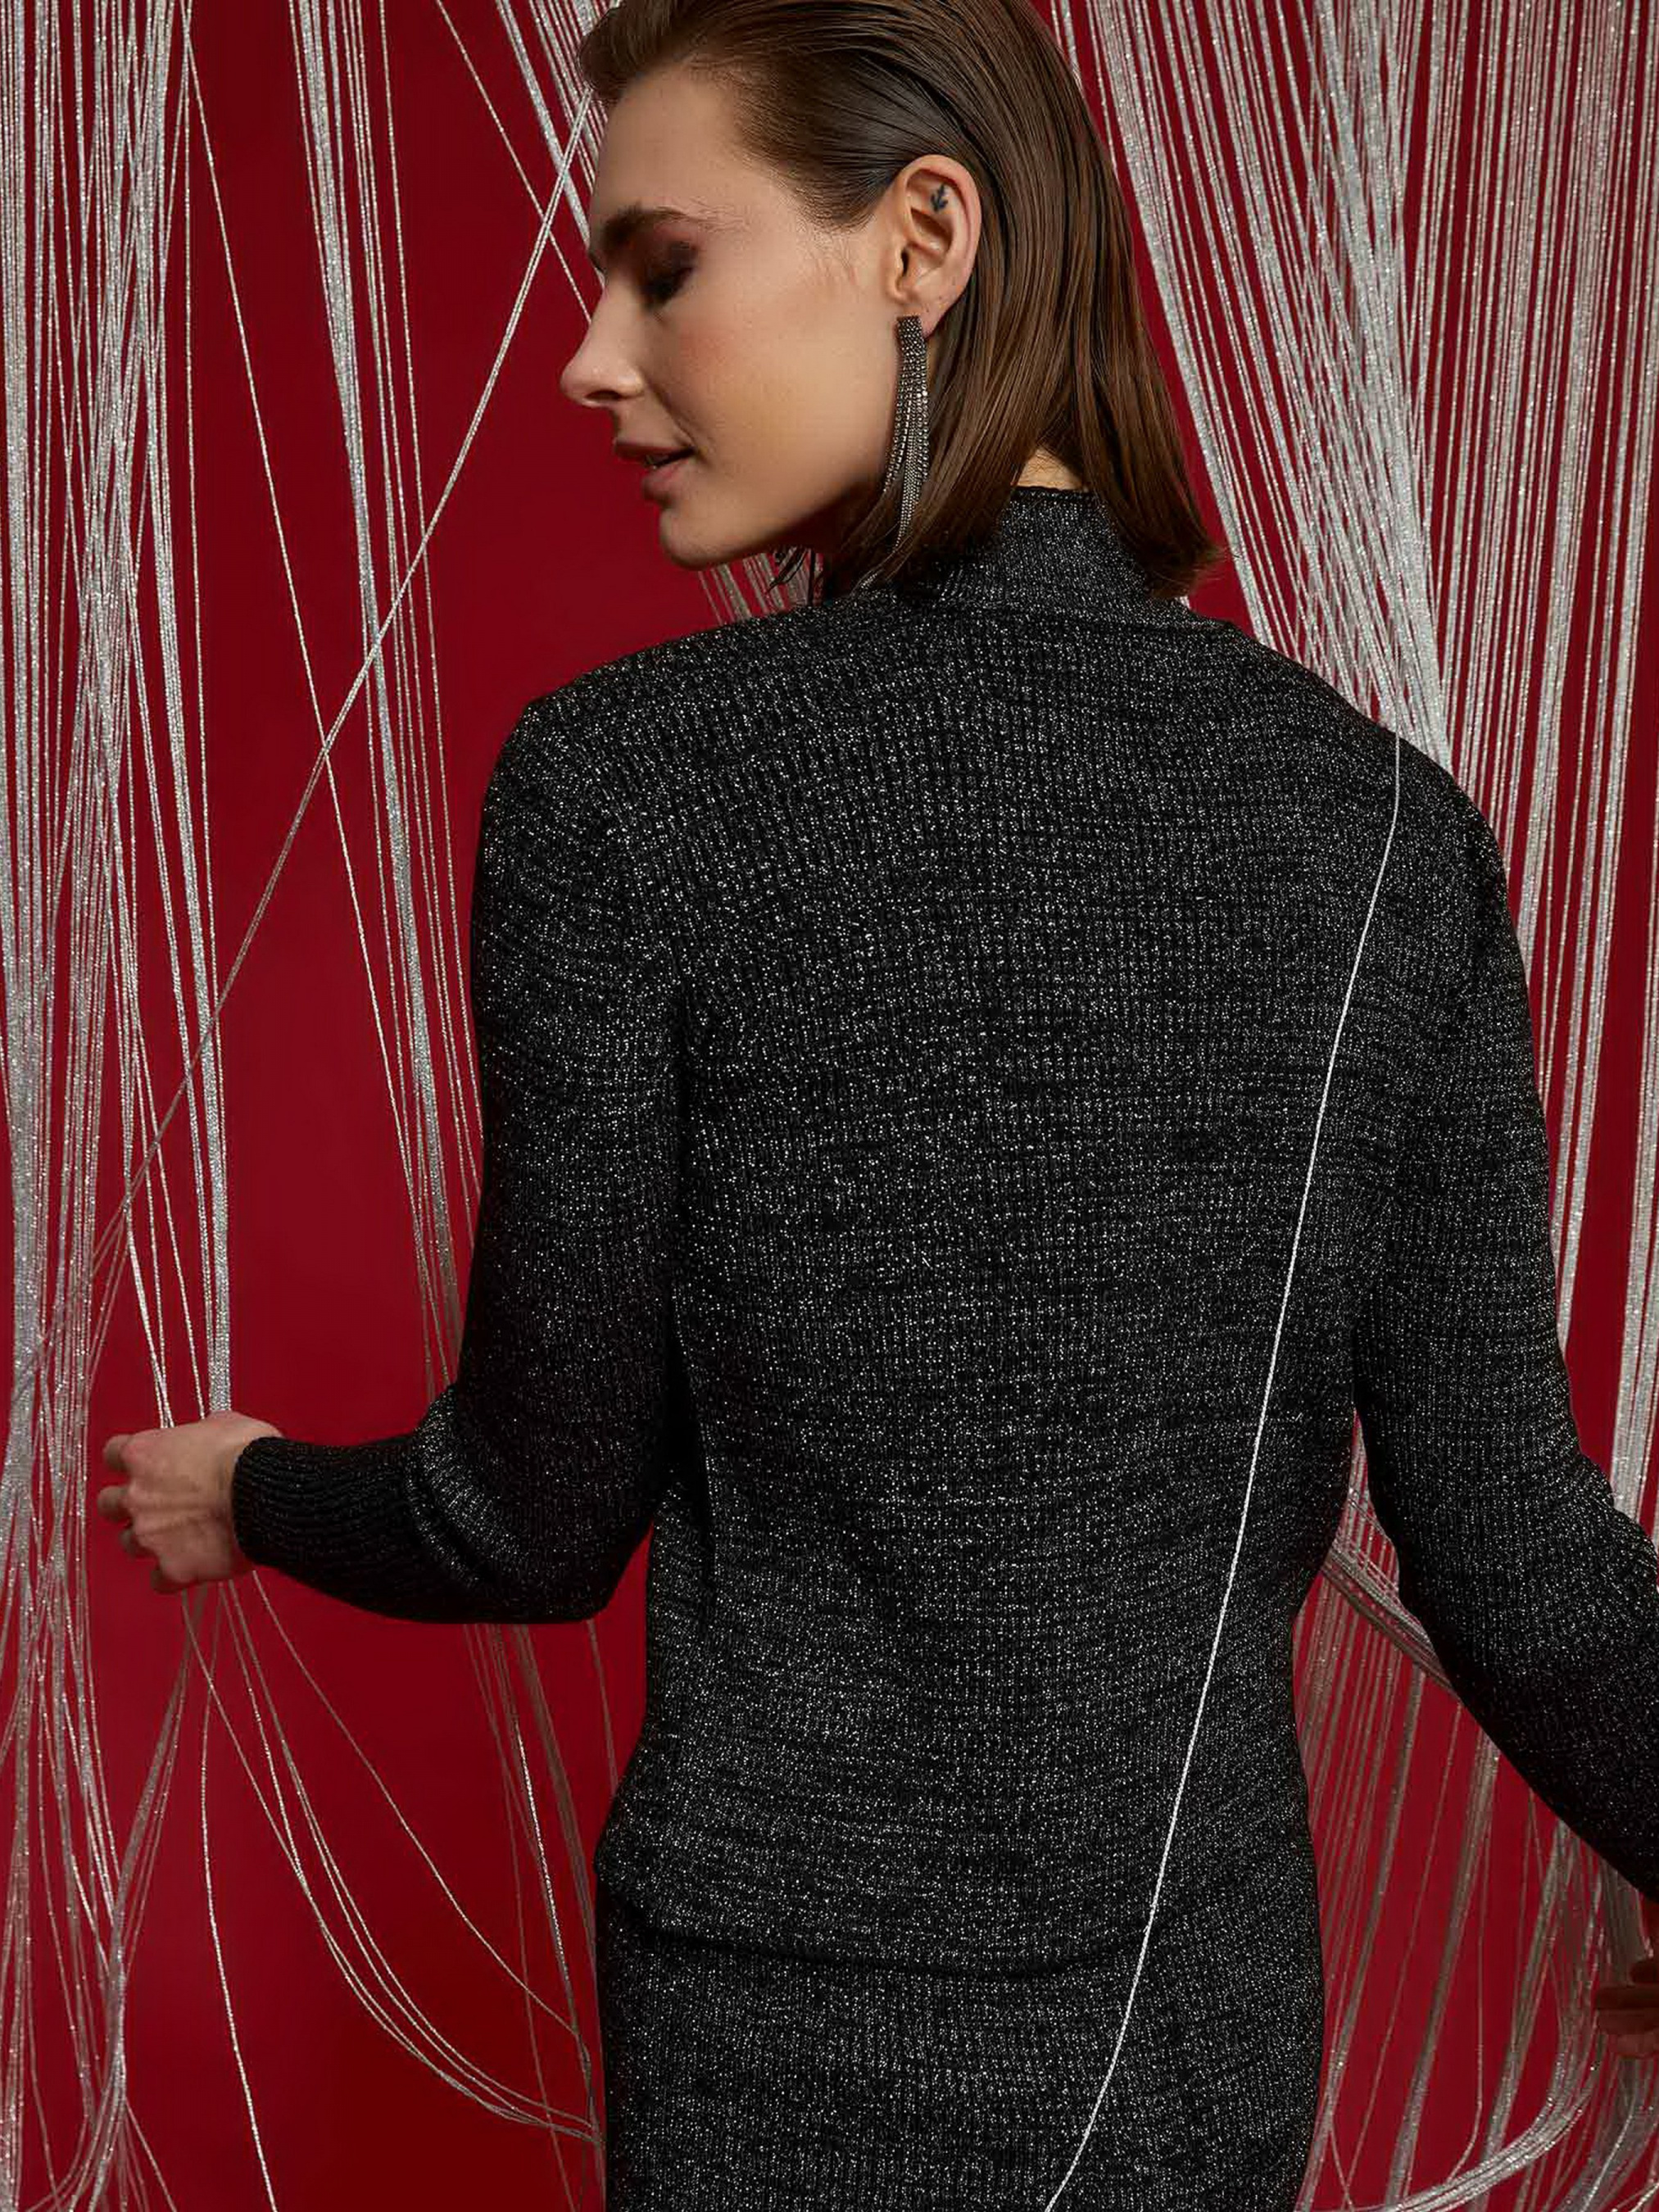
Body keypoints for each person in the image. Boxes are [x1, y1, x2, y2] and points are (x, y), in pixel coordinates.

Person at [93, 0, 1659, 2202]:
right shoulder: (1388, 834)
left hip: (777, 2059)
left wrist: (251, 1491)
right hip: (1190, 2055)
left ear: (926, 235)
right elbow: (1517, 1553)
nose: (589, 361)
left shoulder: (628, 790)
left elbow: (531, 1515)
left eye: (662, 267)